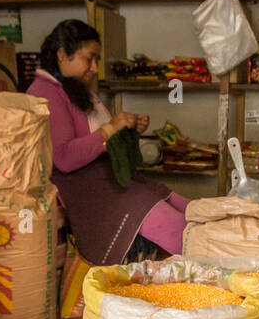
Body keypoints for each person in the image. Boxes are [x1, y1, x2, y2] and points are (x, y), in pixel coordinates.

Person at [27, 19, 189, 266]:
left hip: (107, 178)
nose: (94, 67)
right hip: (84, 188)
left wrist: (128, 130)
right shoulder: (45, 93)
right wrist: (112, 128)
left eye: (96, 60)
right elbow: (64, 157)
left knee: (189, 209)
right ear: (62, 54)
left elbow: (100, 139)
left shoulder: (76, 89)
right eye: (89, 58)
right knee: (173, 226)